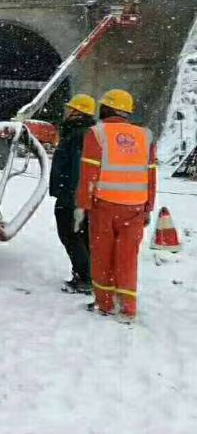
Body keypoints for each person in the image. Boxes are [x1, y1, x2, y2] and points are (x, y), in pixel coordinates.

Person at [76, 89, 157, 323]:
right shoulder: (145, 136)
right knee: (127, 259)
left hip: (105, 207)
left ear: (108, 108)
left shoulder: (97, 133)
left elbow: (89, 174)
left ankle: (106, 304)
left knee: (102, 256)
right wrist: (148, 207)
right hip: (135, 208)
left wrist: (82, 205)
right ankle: (128, 308)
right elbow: (151, 175)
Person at [48, 93, 95, 294]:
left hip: (71, 196)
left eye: (71, 109)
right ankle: (87, 275)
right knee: (82, 236)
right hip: (79, 195)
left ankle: (85, 277)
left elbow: (78, 169)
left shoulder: (77, 135)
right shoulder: (85, 133)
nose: (67, 112)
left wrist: (73, 196)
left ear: (78, 112)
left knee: (71, 235)